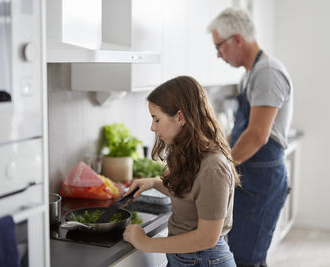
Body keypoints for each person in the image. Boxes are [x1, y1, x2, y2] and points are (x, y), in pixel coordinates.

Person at [206, 7, 294, 267]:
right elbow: (242, 129)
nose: (218, 55)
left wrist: (221, 167)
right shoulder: (250, 74)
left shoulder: (267, 73)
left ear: (236, 39)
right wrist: (217, 151)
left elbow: (257, 136)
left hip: (262, 180)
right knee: (243, 256)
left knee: (248, 259)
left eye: (219, 46)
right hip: (251, 176)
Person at [123, 75, 239, 267]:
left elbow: (207, 238)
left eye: (156, 119)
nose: (152, 127)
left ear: (180, 117)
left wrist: (146, 243)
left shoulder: (213, 167)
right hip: (188, 258)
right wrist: (154, 183)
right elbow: (193, 196)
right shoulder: (192, 153)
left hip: (203, 259)